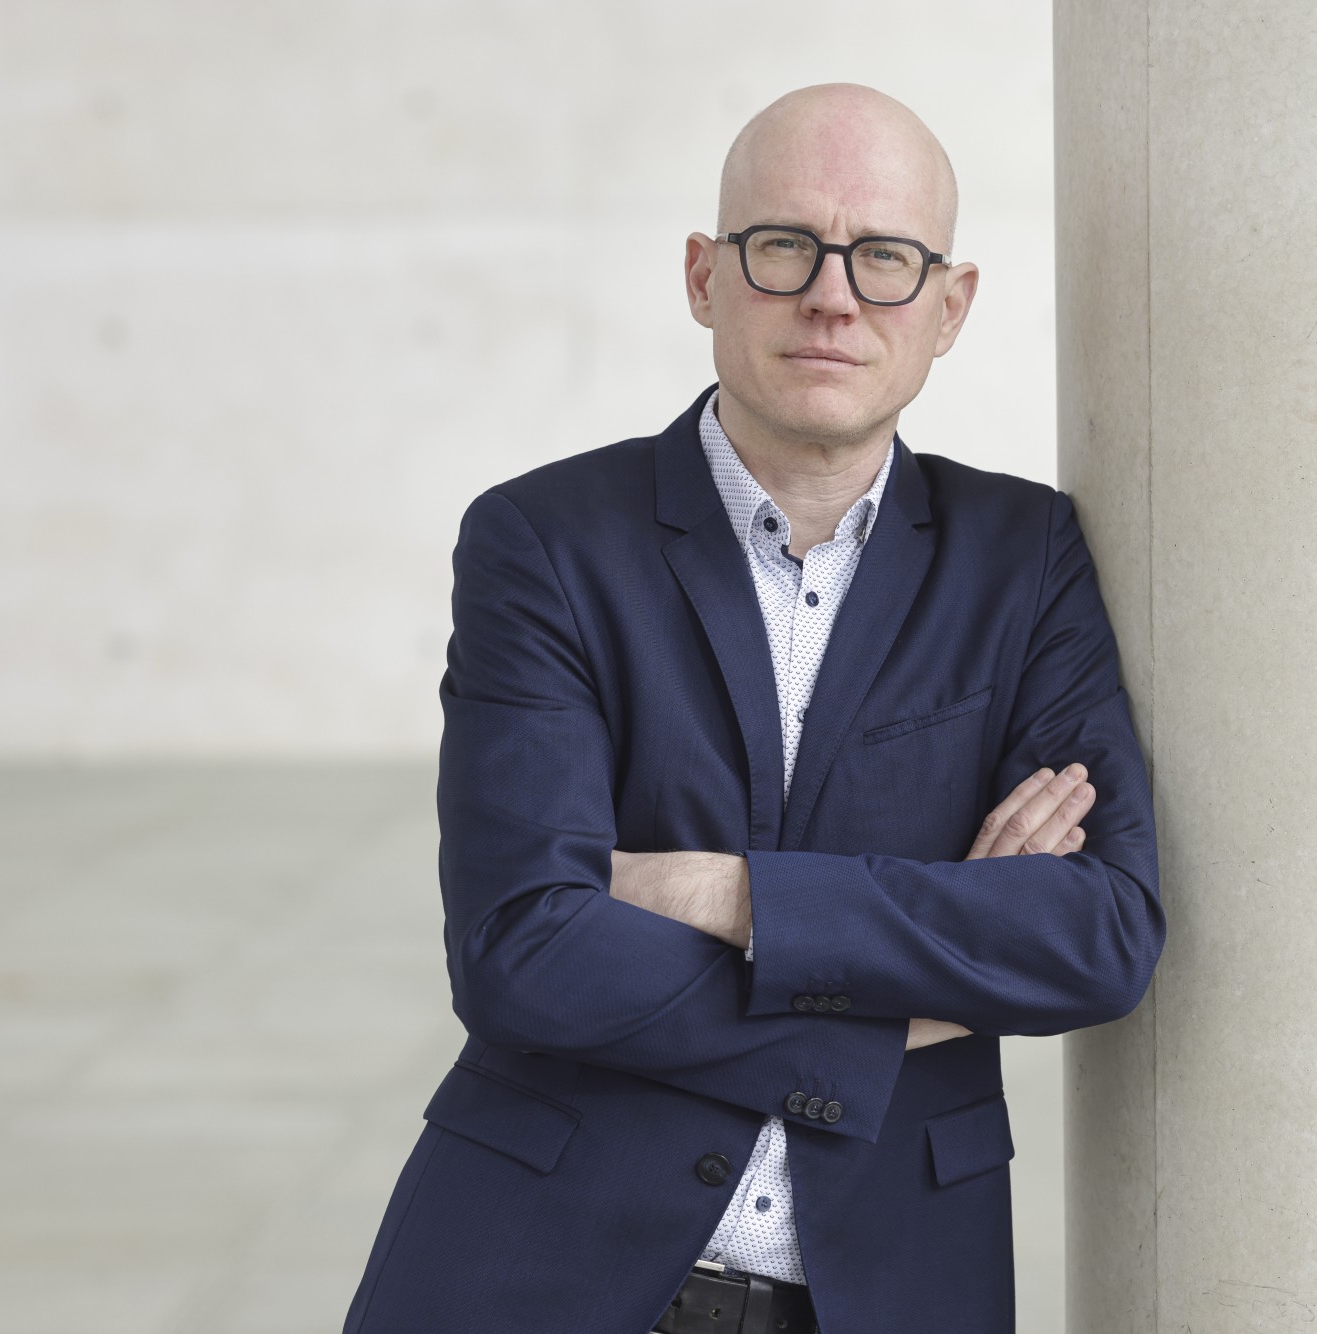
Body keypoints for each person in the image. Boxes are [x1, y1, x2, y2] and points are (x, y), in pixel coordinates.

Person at [339, 82, 1164, 1334]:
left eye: (883, 256)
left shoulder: (1025, 557)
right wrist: (913, 985)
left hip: (894, 1284)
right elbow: (522, 950)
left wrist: (728, 893)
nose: (832, 296)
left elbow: (1098, 932)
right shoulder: (543, 542)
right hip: (537, 1270)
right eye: (784, 246)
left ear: (948, 307)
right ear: (703, 277)